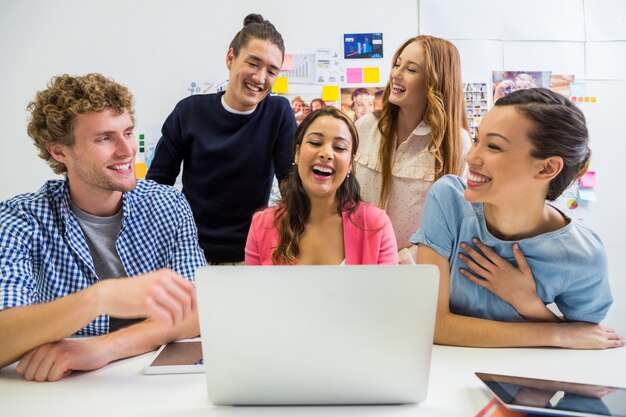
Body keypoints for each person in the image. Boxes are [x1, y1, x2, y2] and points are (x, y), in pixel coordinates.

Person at [0, 73, 207, 381]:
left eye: (127, 132)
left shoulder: (168, 204)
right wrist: (100, 298)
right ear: (59, 152)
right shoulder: (21, 218)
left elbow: (200, 309)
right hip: (60, 388)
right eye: (104, 138)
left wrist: (104, 348)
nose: (127, 151)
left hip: (150, 381)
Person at [412, 88, 624, 349]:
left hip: (531, 381)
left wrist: (528, 303)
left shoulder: (583, 254)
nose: (471, 156)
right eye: (477, 140)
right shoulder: (449, 199)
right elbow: (432, 325)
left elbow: (588, 336)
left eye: (494, 146)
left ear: (547, 168)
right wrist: (556, 334)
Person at [147, 13, 296, 264]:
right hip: (189, 251)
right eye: (253, 63)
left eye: (272, 71)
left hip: (252, 252)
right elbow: (157, 184)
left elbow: (289, 181)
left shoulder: (278, 112)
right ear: (230, 58)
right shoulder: (189, 111)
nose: (260, 78)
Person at [354, 35, 470, 262]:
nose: (396, 74)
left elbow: (455, 228)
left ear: (435, 81)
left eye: (411, 69)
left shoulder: (457, 142)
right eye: (397, 64)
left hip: (414, 274)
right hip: (357, 264)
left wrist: (398, 262)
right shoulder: (365, 127)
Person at [245, 107, 397, 265]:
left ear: (350, 163)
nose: (326, 154)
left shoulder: (376, 225)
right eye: (315, 142)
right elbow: (255, 289)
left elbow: (387, 289)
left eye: (339, 147)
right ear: (297, 153)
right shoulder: (262, 225)